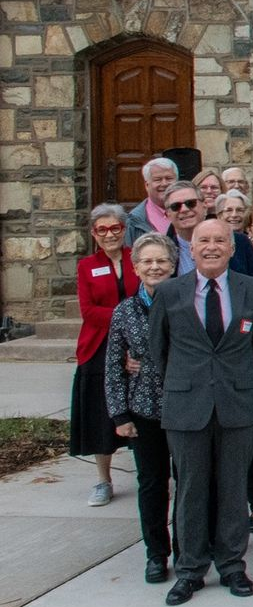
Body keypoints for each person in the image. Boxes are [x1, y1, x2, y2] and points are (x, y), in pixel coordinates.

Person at [148, 218, 253, 606]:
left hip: (237, 404)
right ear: (191, 247)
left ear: (233, 248)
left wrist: (239, 381)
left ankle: (233, 565)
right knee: (190, 490)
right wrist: (189, 383)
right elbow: (159, 352)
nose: (212, 247)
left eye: (221, 240)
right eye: (204, 240)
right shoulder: (170, 293)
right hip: (187, 405)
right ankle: (190, 570)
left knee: (233, 488)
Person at [104, 233, 180, 583]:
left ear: (173, 264)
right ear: (135, 268)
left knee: (189, 483)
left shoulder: (187, 301)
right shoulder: (124, 311)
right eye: (147, 262)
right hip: (144, 410)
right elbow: (113, 367)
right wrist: (120, 415)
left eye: (161, 261)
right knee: (152, 484)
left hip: (184, 409)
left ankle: (188, 548)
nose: (154, 267)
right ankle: (156, 554)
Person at [75, 204, 137, 506]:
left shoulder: (137, 258)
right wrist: (126, 316)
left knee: (141, 411)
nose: (109, 234)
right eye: (102, 229)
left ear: (124, 230)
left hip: (138, 344)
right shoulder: (87, 266)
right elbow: (88, 311)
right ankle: (103, 480)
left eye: (115, 228)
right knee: (102, 416)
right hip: (99, 346)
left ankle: (150, 471)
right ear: (93, 233)